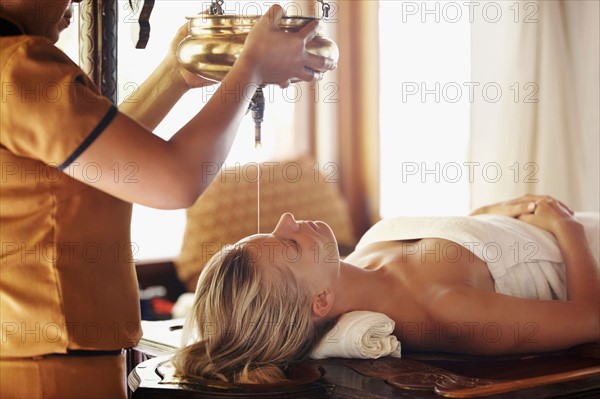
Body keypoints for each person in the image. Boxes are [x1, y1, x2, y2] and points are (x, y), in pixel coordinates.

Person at [0, 1, 335, 397]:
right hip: (48, 367)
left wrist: (176, 74)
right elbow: (176, 180)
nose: (73, 3)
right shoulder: (17, 66)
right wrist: (251, 71)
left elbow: (97, 169)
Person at [173, 194, 600, 384]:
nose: (288, 218)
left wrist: (508, 209)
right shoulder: (446, 311)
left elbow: (472, 240)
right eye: (289, 243)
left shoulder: (361, 260)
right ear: (320, 301)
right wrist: (566, 226)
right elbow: (590, 319)